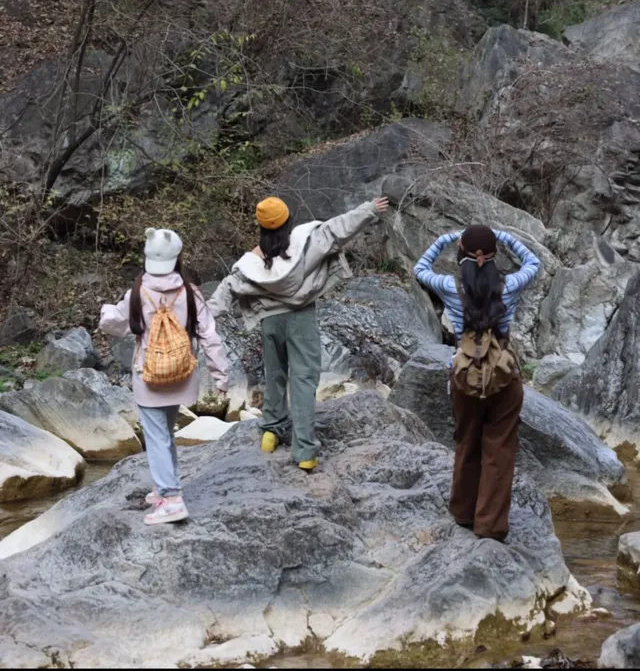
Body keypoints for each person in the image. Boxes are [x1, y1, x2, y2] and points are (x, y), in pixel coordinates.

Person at [208, 196, 389, 471]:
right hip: (301, 319)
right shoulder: (307, 242)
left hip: (270, 322)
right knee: (303, 380)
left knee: (275, 374)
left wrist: (198, 317)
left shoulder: (252, 263)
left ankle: (271, 431)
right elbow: (339, 228)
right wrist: (370, 210)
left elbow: (226, 289)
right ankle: (304, 451)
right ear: (288, 221)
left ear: (261, 228)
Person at [414, 224, 541, 542]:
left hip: (463, 374)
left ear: (462, 252)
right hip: (504, 374)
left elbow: (419, 268)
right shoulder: (509, 284)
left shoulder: (448, 285)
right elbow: (534, 263)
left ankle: (463, 513)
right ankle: (491, 525)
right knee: (499, 449)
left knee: (466, 441)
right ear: (494, 254)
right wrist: (504, 236)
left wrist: (445, 238)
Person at [100, 228, 229, 526]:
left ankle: (171, 499)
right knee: (165, 433)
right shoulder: (191, 293)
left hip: (149, 378)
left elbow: (114, 325)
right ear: (177, 258)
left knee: (156, 436)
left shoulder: (137, 292)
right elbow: (210, 337)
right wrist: (221, 377)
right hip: (182, 377)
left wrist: (106, 311)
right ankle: (163, 486)